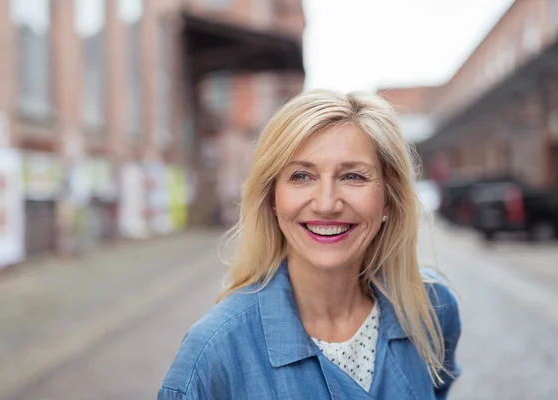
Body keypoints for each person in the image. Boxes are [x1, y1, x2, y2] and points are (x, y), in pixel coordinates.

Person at [158, 90, 461, 400]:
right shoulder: (215, 352)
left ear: (389, 198)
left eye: (353, 176)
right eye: (301, 176)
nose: (327, 204)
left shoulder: (433, 309)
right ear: (272, 198)